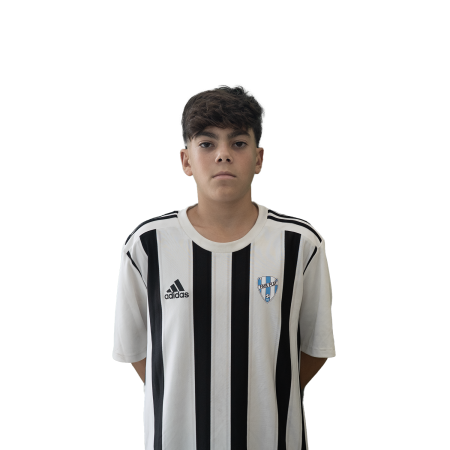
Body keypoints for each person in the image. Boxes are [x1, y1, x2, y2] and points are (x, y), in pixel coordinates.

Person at [112, 83, 336, 449]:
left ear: (259, 159)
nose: (223, 155)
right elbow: (136, 351)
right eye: (207, 143)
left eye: (238, 143)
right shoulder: (147, 246)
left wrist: (266, 391)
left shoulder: (301, 244)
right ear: (186, 160)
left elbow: (316, 346)